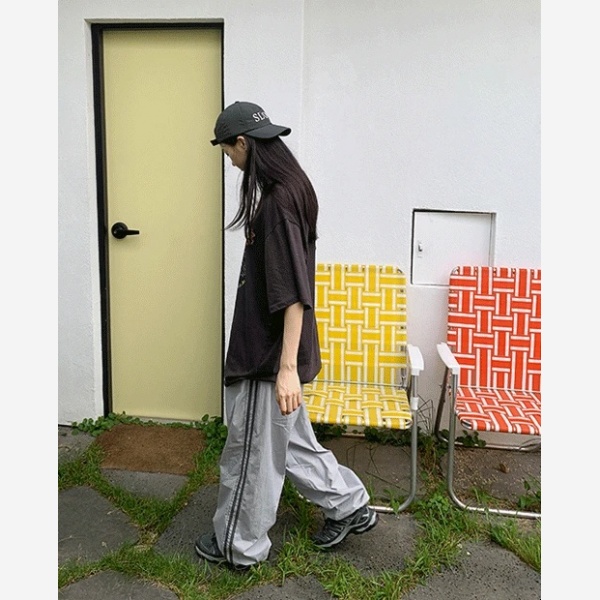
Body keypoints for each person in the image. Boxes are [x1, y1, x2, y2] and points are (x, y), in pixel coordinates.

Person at [194, 101, 378, 570]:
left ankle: (238, 545)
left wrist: (286, 370)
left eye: (228, 152)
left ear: (242, 143)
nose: (230, 162)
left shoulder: (277, 204)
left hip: (267, 356)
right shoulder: (291, 189)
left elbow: (293, 295)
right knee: (290, 443)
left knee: (250, 455)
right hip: (273, 352)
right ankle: (349, 504)